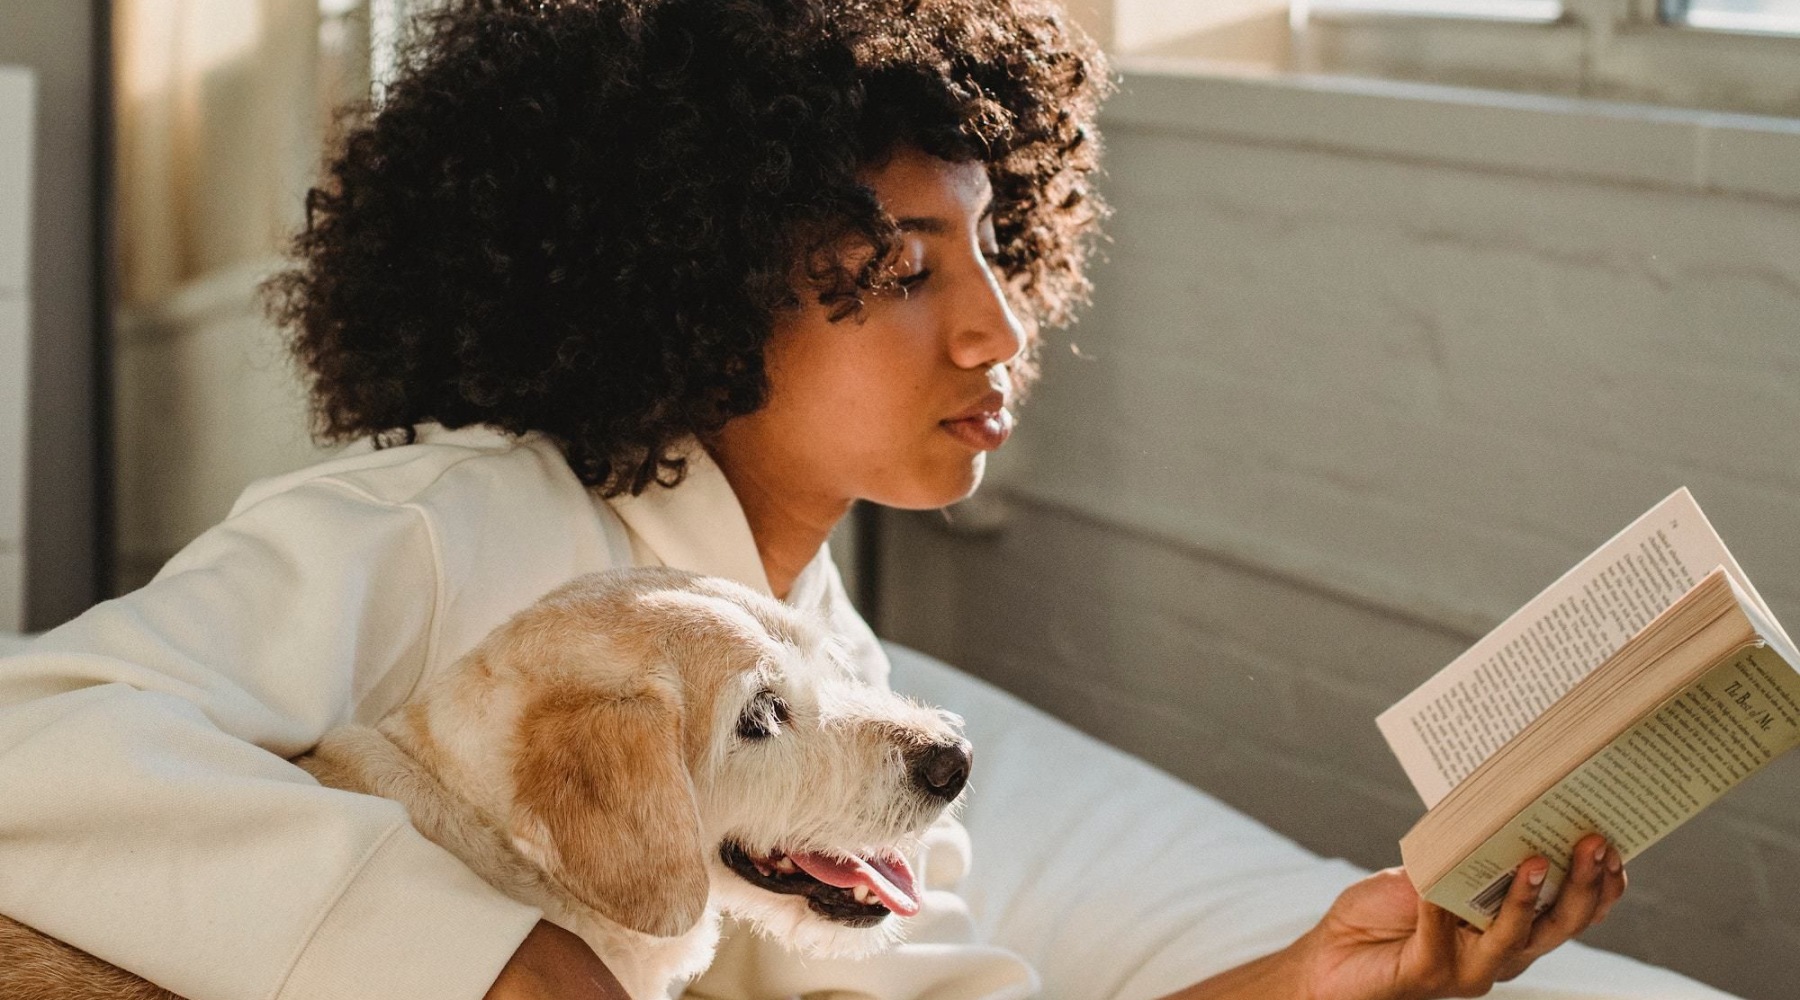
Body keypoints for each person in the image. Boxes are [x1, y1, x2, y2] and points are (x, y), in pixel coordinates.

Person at [0, 1, 1626, 998]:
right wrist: (484, 958)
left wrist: (1307, 985)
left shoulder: (822, 666)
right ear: (695, 289)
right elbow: (39, 739)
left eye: (996, 247)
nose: (996, 324)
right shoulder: (444, 523)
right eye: (905, 269)